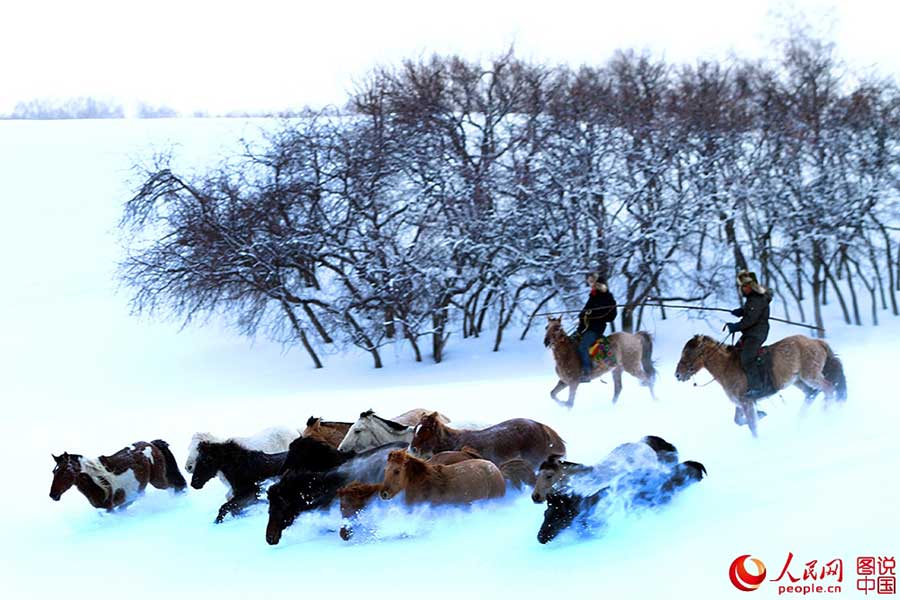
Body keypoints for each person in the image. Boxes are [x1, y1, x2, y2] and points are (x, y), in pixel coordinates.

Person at [724, 270, 774, 400]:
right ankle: (743, 382)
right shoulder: (753, 299)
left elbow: (750, 320)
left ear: (752, 286)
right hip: (751, 333)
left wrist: (735, 326)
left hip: (756, 333)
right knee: (735, 353)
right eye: (742, 286)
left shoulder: (757, 299)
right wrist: (740, 311)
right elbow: (750, 312)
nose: (743, 289)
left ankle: (757, 387)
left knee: (746, 357)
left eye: (745, 286)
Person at [577, 273, 617, 383]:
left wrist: (592, 314)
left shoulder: (608, 298)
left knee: (583, 347)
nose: (592, 285)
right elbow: (584, 312)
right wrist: (582, 315)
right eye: (590, 283)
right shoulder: (592, 297)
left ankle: (587, 371)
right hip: (584, 328)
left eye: (594, 283)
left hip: (596, 329)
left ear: (600, 284)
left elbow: (611, 316)